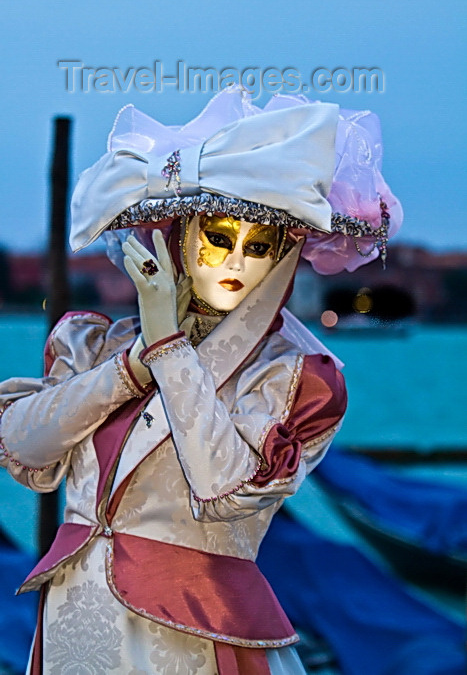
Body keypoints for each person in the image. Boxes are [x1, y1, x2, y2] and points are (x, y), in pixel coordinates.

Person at [0, 88, 401, 675]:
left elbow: (222, 489)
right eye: (218, 237)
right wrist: (135, 363)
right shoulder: (99, 345)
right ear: (180, 238)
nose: (235, 263)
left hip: (194, 640)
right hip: (71, 631)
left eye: (258, 246)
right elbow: (22, 446)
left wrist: (169, 350)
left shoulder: (292, 380)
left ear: (284, 256)